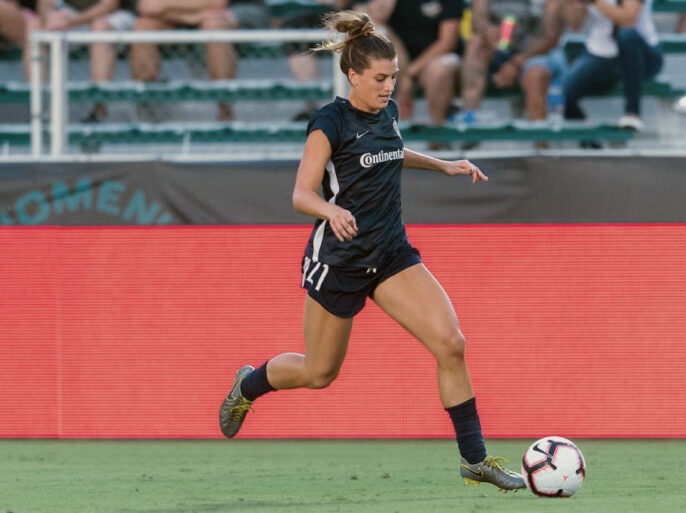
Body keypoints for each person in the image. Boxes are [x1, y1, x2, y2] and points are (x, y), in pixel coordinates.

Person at [218, 10, 526, 492]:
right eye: (380, 78)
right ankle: (248, 384)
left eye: (394, 78)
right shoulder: (328, 122)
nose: (389, 87)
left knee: (451, 344)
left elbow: (388, 150)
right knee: (319, 373)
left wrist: (443, 165)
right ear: (353, 75)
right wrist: (329, 211)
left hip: (390, 253)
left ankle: (474, 461)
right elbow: (301, 194)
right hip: (338, 260)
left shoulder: (387, 112)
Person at [130, 0, 270, 121]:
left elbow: (216, 4)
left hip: (240, 8)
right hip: (192, 15)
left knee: (213, 24)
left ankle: (226, 113)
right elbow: (147, 6)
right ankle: (148, 106)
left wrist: (167, 8)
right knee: (144, 26)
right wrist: (194, 15)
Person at [460, 0, 579, 124]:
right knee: (475, 44)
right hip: (501, 48)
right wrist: (487, 29)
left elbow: (550, 38)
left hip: (538, 52)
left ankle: (539, 136)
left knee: (536, 73)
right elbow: (477, 19)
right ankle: (469, 119)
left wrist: (515, 64)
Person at [562, 0, 663, 131]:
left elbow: (629, 19)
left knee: (627, 36)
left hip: (642, 54)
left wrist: (594, 2)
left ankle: (632, 113)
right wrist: (575, 5)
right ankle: (590, 142)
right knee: (566, 91)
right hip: (601, 52)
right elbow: (575, 25)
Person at [367, 0, 464, 125]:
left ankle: (437, 133)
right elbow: (376, 17)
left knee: (440, 70)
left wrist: (409, 74)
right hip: (398, 60)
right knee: (375, 29)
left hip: (436, 59)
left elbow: (447, 43)